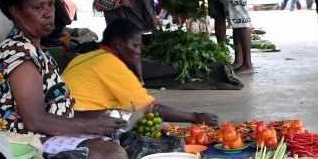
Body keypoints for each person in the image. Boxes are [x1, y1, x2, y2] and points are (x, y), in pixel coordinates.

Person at [0, 0, 127, 159]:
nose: (48, 13)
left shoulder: (37, 50)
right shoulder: (19, 56)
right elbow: (35, 120)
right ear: (15, 12)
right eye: (38, 7)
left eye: (50, 4)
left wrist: (98, 116)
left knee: (120, 134)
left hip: (44, 133)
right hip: (23, 144)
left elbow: (55, 111)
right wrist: (90, 125)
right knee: (112, 157)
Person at [63, 18, 220, 126]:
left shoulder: (87, 57)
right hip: (79, 120)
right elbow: (150, 107)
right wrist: (195, 117)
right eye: (135, 46)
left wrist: (137, 71)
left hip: (62, 116)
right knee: (136, 119)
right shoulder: (111, 64)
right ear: (118, 44)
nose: (138, 52)